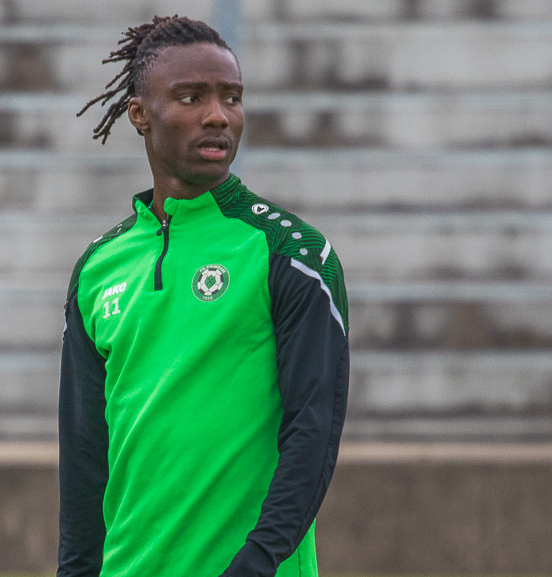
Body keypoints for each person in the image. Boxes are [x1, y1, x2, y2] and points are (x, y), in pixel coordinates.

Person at [56, 15, 350, 577]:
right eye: (191, 98)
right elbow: (84, 455)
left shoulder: (292, 254)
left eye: (231, 98)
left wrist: (256, 563)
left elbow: (313, 434)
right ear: (140, 114)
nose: (218, 116)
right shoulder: (97, 269)